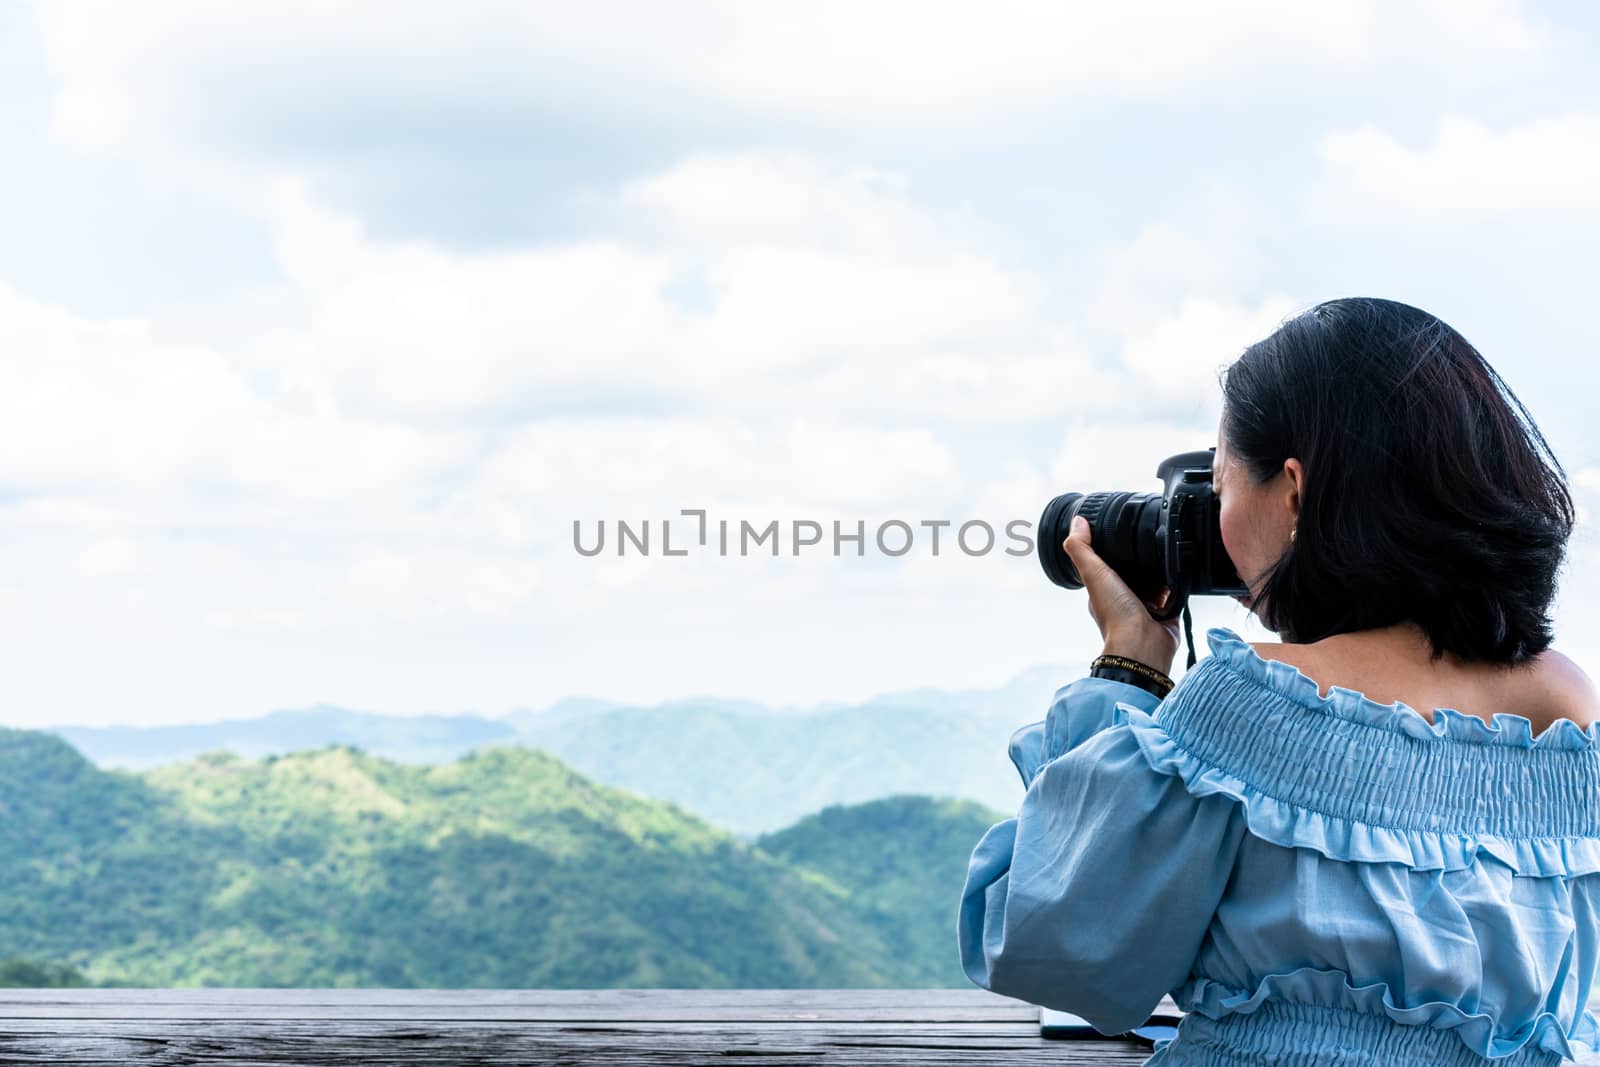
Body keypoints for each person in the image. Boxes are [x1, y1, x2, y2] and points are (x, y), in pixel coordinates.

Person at [958, 297, 1600, 1065]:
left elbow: (1046, 941)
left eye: (1222, 480)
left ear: (1293, 490)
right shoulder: (1566, 713)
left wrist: (1130, 662)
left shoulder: (1250, 704)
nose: (1213, 512)